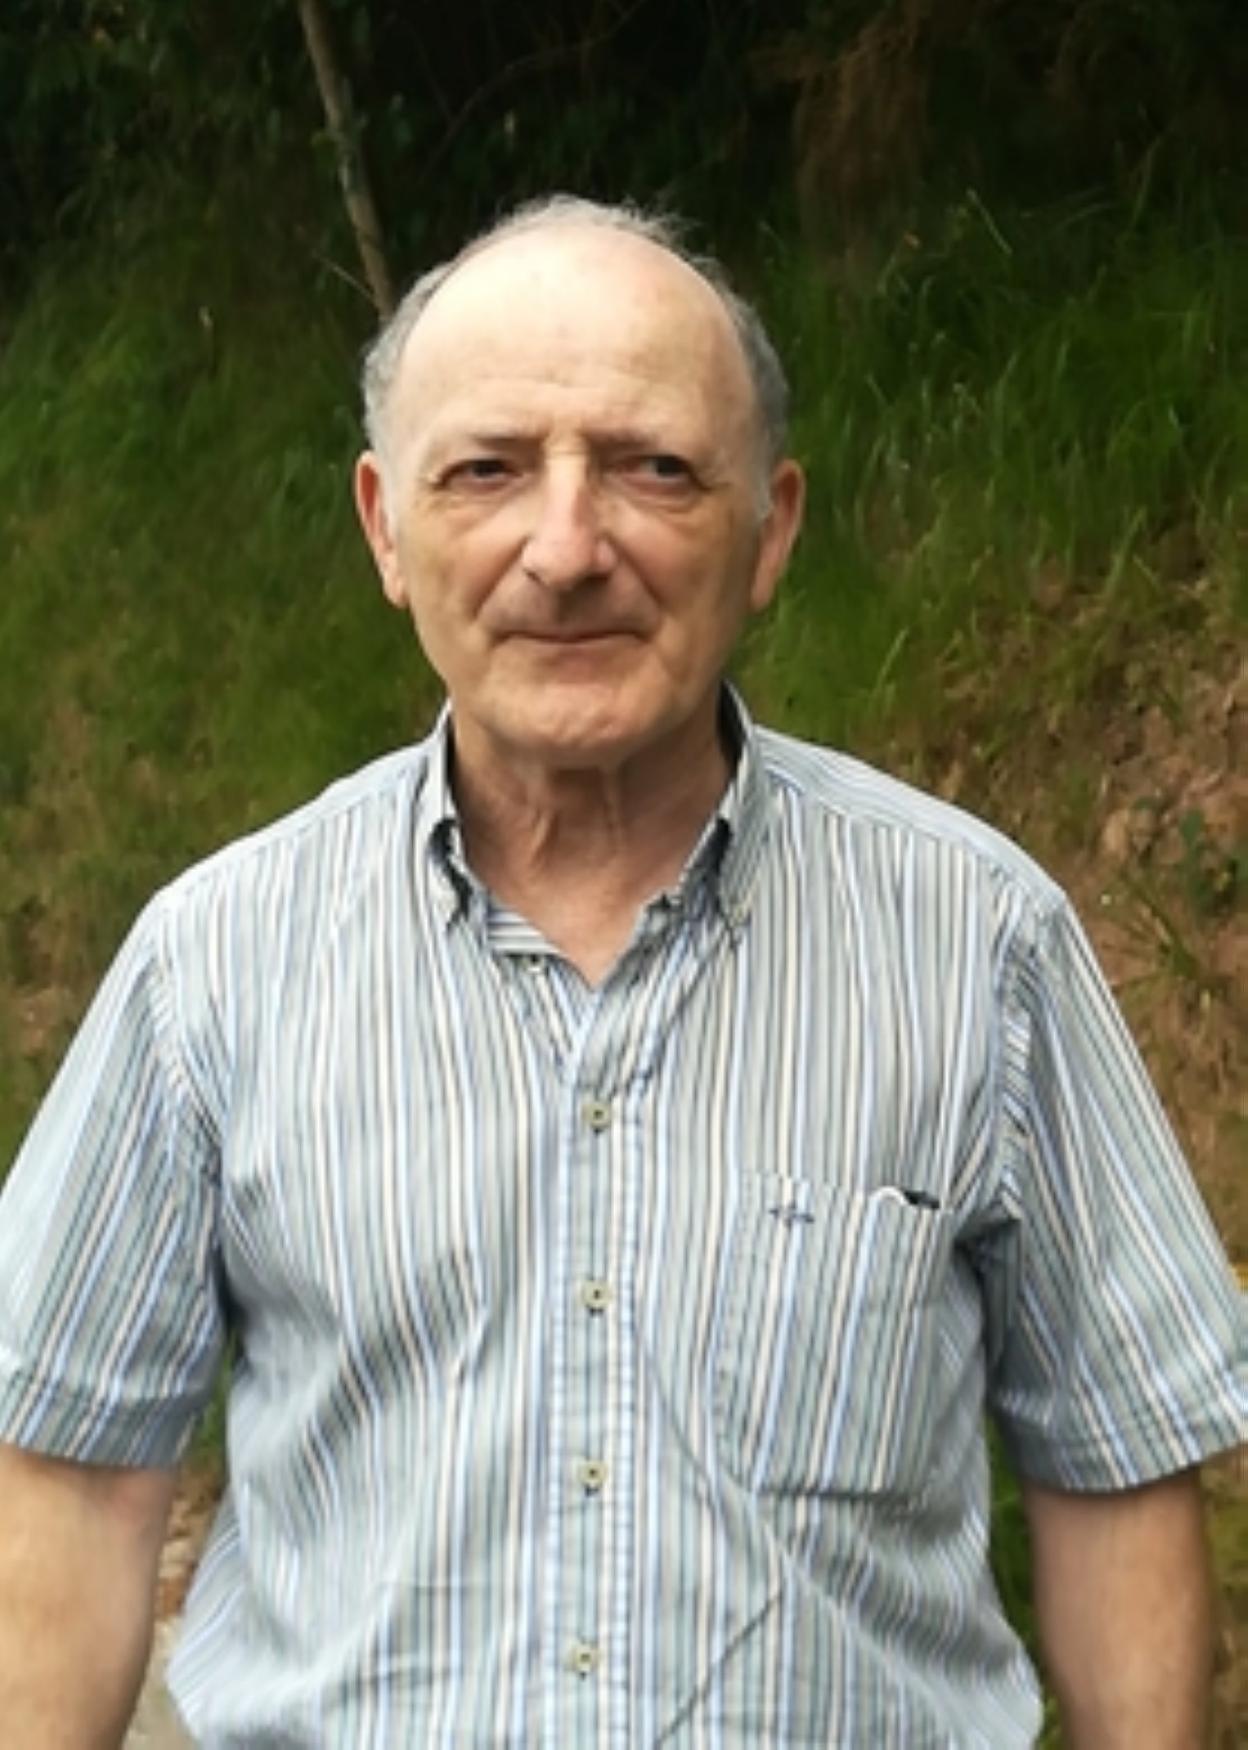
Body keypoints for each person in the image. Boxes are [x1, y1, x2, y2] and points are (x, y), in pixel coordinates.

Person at [0, 195, 1243, 1750]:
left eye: (654, 468)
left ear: (770, 527)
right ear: (386, 527)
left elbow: (1116, 1467)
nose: (567, 549)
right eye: (487, 470)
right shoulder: (212, 965)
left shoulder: (980, 942)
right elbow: (73, 1481)